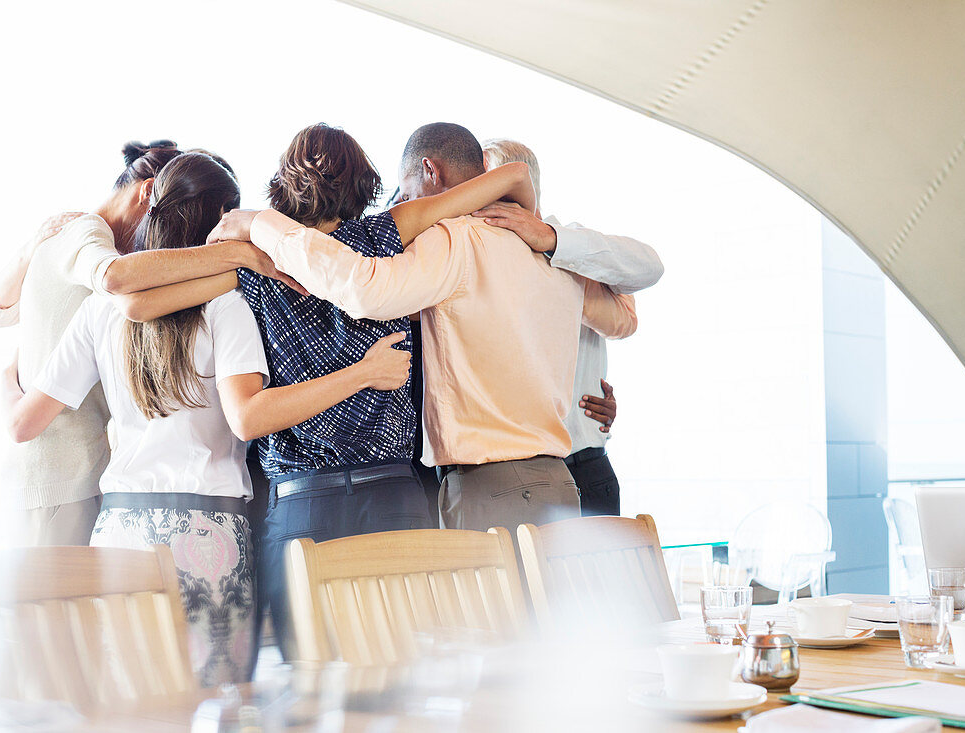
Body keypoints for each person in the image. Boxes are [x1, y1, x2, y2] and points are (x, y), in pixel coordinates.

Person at [110, 123, 540, 658]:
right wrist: (539, 230)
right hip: (393, 496)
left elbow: (133, 297)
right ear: (364, 182)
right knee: (397, 673)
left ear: (283, 186)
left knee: (306, 679)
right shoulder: (390, 235)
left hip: (301, 502)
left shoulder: (264, 269)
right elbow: (511, 177)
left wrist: (244, 256)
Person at [0, 152, 412, 685]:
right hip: (207, 532)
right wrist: (362, 372)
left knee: (134, 705)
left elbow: (22, 426)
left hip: (119, 531)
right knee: (218, 705)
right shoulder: (229, 304)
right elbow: (249, 418)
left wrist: (4, 380)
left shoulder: (101, 311)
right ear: (221, 217)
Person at [209, 122, 638, 534]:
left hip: (480, 485)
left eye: (409, 193)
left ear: (430, 170)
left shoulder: (448, 242)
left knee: (490, 611)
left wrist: (260, 226)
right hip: (552, 480)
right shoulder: (553, 250)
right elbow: (624, 314)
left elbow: (366, 289)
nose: (408, 208)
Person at [0, 140, 272, 546]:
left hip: (104, 502)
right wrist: (242, 261)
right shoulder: (92, 237)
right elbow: (121, 287)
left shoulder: (105, 301)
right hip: (61, 482)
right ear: (147, 191)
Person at [479, 138, 664, 516]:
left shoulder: (570, 241)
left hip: (585, 464)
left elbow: (651, 267)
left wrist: (553, 241)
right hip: (514, 472)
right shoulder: (476, 252)